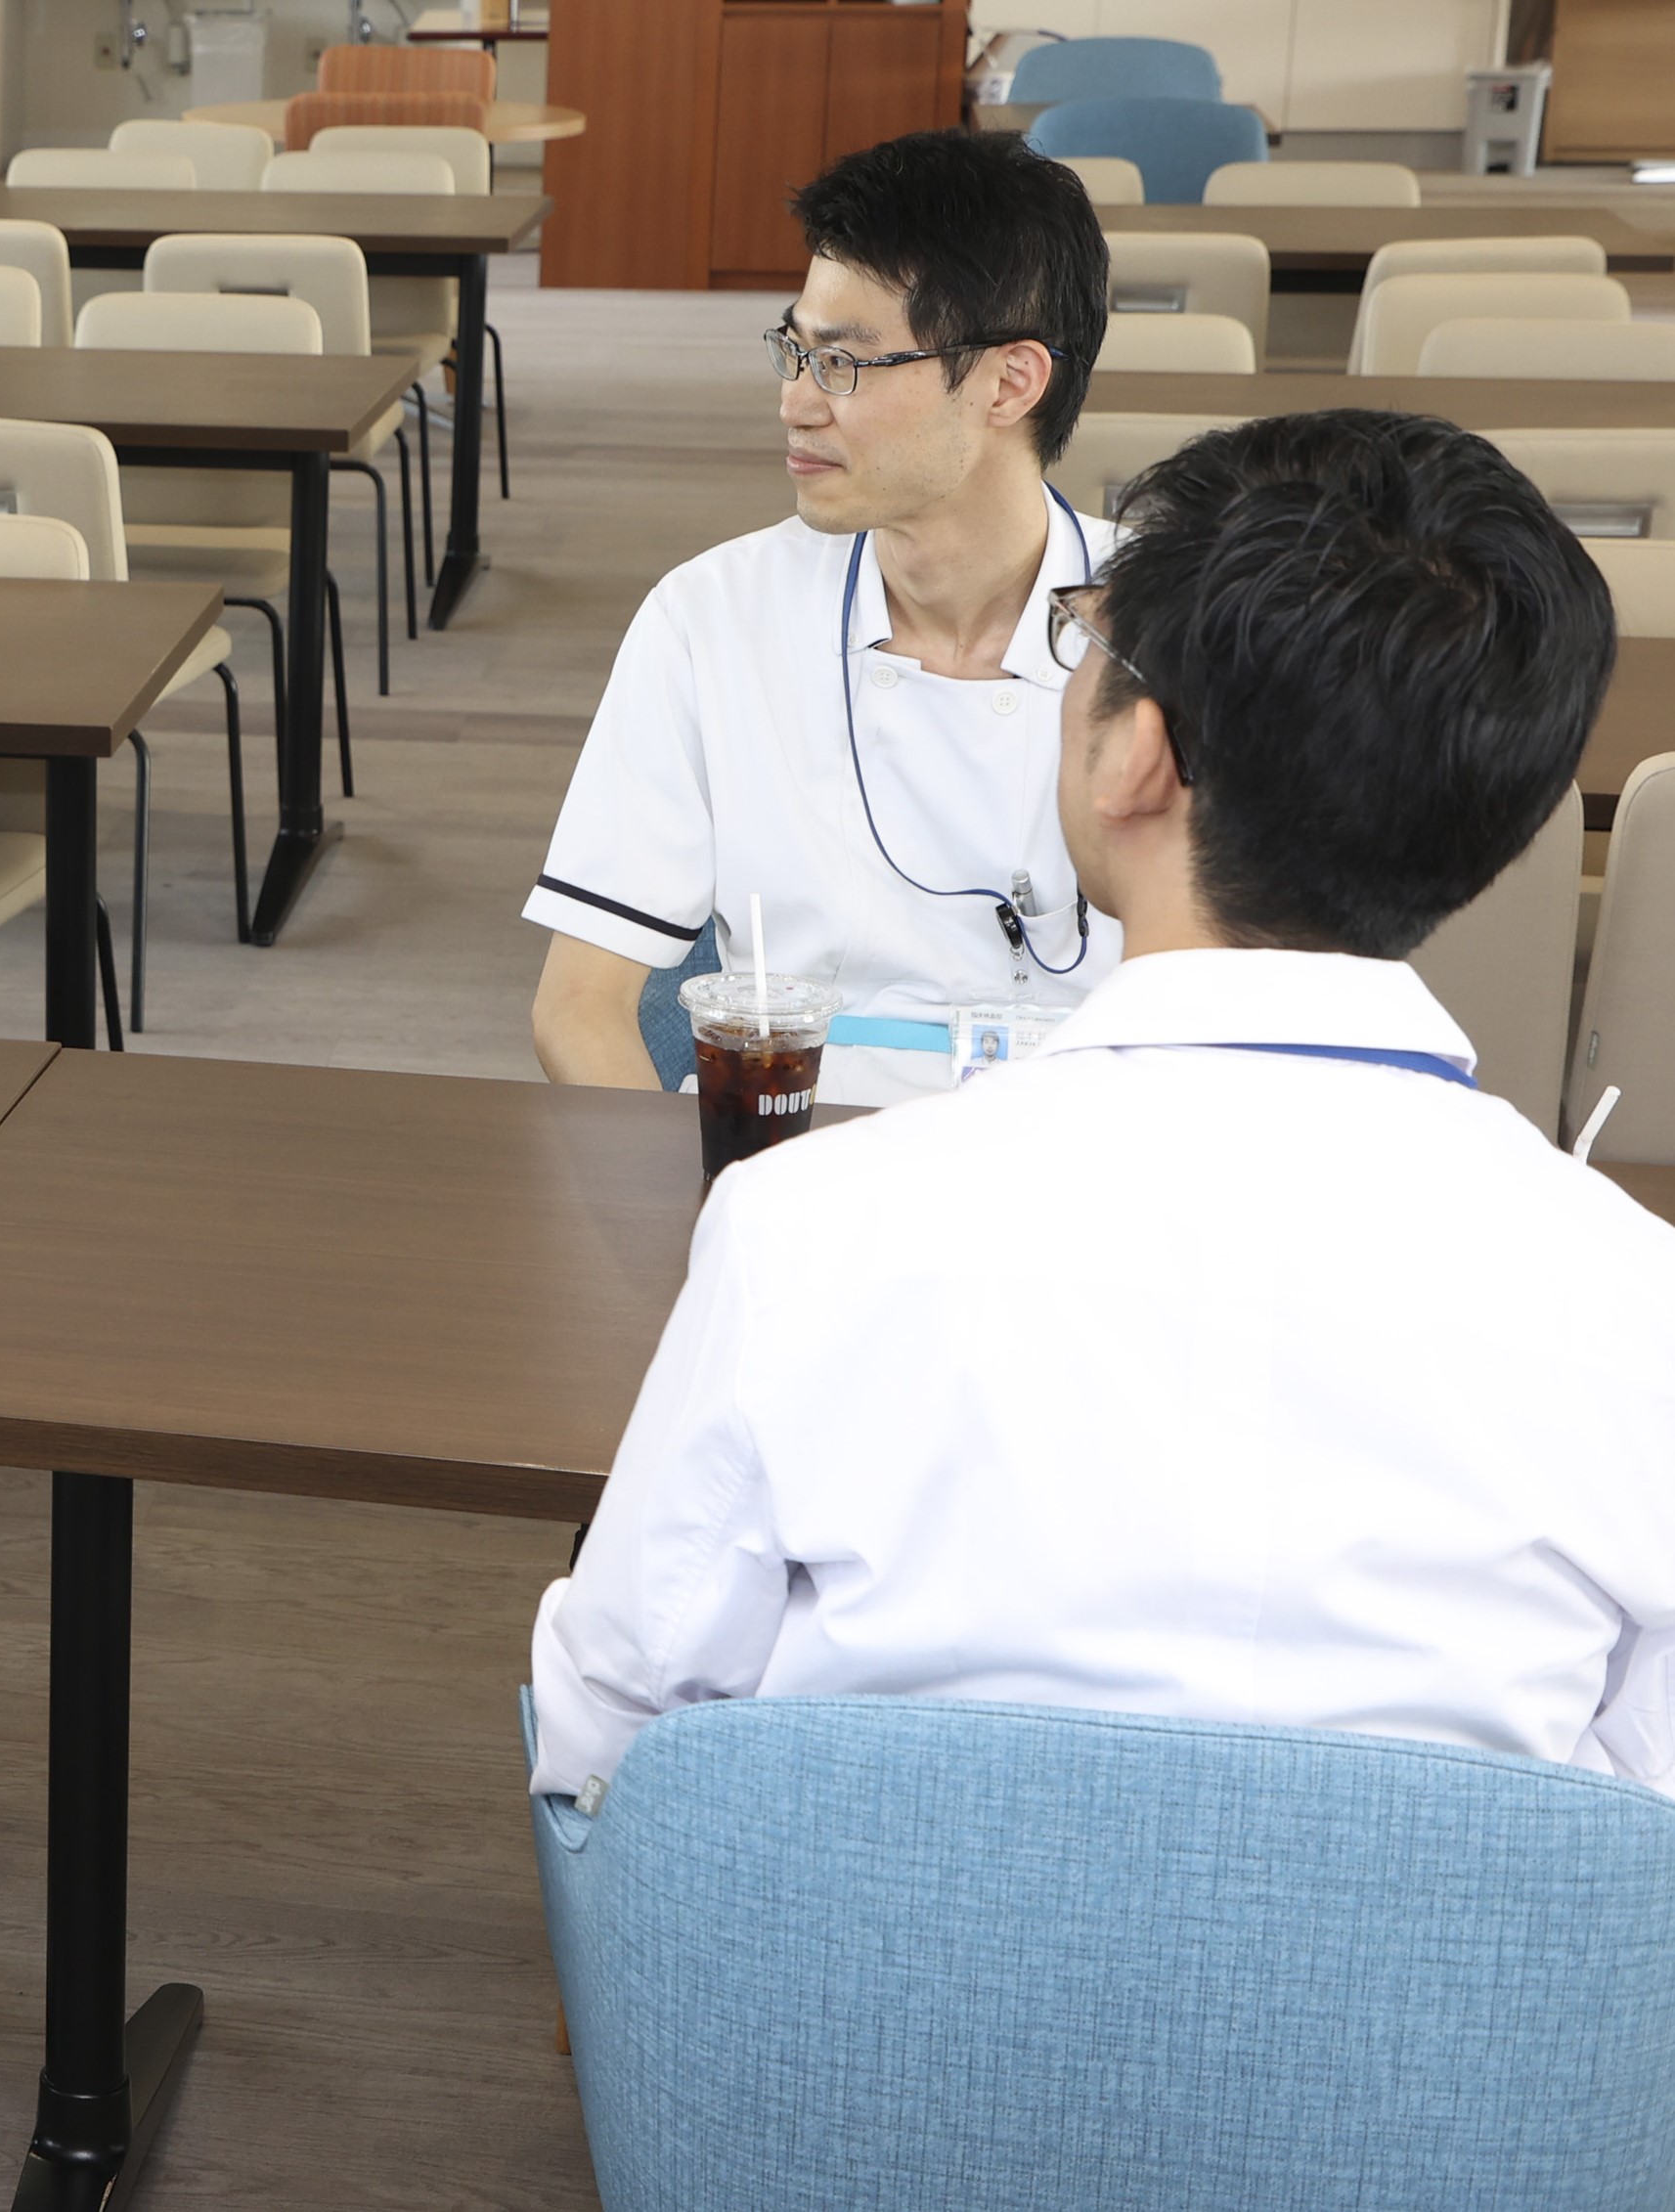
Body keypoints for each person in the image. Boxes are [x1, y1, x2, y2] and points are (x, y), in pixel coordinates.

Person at [529, 409, 1675, 1805]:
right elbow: (1639, 1819)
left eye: (1083, 641)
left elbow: (607, 1733)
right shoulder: (1639, 1307)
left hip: (880, 1945)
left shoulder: (801, 1234)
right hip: (1445, 1956)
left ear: (1135, 757)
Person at [525, 131, 1118, 1106]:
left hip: (1092, 1153)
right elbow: (578, 1008)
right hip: (788, 1139)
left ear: (1009, 382)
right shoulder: (713, 616)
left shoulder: (1186, 627)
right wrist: (708, 1190)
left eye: (843, 363)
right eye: (796, 351)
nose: (795, 403)